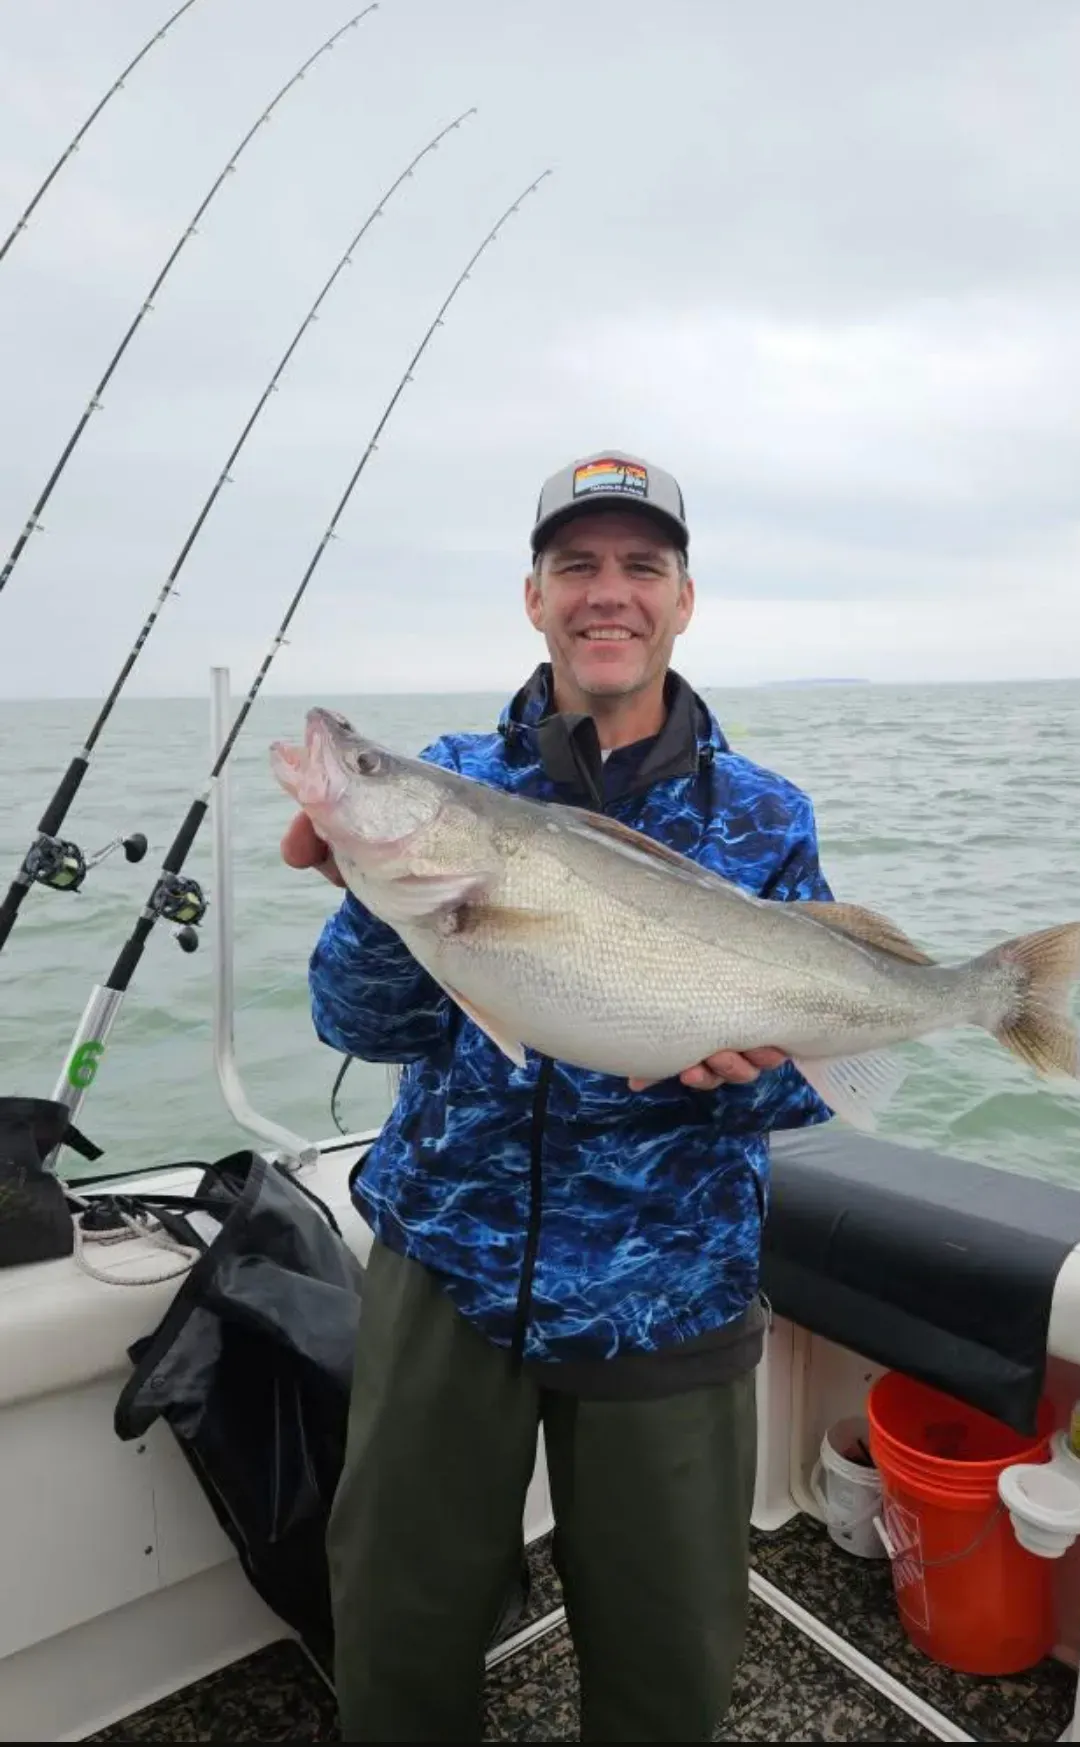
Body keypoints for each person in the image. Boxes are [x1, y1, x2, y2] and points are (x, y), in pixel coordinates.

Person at [281, 450, 836, 1743]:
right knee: (397, 1612)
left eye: (641, 566)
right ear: (533, 597)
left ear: (682, 599)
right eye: (575, 565)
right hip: (448, 1259)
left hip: (669, 1279)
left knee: (665, 1639)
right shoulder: (451, 777)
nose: (607, 593)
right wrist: (377, 897)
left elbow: (805, 1091)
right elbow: (359, 1025)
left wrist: (737, 1079)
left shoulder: (765, 815)